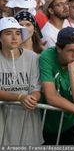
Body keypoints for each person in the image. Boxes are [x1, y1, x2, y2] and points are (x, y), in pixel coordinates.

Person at [39, 27, 74, 145]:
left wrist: (71, 69)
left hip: (71, 124)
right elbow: (51, 97)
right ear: (59, 48)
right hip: (47, 124)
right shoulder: (47, 56)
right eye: (70, 51)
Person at [0, 17, 42, 145]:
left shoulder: (33, 57)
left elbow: (37, 88)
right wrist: (19, 97)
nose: (14, 37)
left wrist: (32, 99)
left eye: (18, 33)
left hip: (28, 122)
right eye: (8, 33)